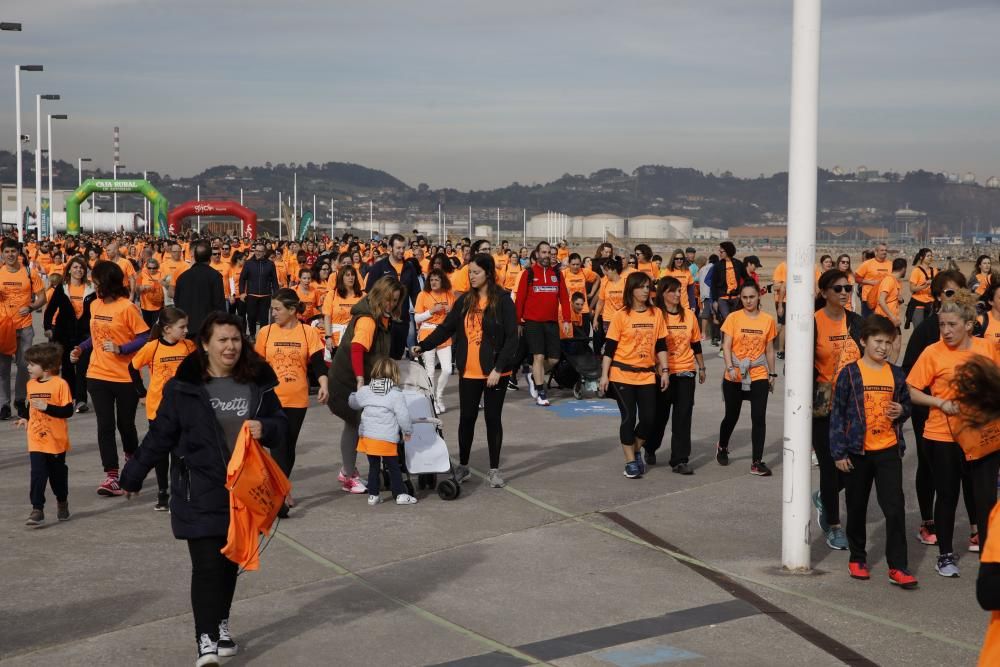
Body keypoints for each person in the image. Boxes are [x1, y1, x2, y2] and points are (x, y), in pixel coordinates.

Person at [120, 311, 287, 666]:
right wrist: (133, 474)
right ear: (205, 344)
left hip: (242, 493)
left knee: (229, 564)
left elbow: (280, 423)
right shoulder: (185, 387)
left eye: (236, 339)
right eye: (223, 340)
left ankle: (221, 624)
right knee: (207, 565)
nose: (230, 346)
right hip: (198, 487)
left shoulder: (256, 382)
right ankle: (206, 639)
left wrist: (265, 427)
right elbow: (161, 434)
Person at [906, 289, 1000, 578]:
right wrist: (939, 402)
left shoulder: (986, 349)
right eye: (942, 325)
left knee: (985, 498)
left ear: (969, 325)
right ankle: (945, 555)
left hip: (981, 436)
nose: (945, 331)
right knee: (947, 495)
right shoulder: (932, 353)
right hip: (941, 436)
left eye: (952, 325)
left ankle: (990, 558)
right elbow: (911, 391)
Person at [414, 254, 518, 488]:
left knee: (493, 419)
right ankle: (464, 466)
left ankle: (493, 469)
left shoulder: (502, 300)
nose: (471, 276)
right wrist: (423, 346)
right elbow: (446, 328)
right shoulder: (465, 301)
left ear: (488, 273)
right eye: (469, 272)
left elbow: (512, 339)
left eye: (476, 272)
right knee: (467, 419)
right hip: (469, 371)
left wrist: (498, 368)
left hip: (495, 374)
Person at [830, 315, 916, 588]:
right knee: (856, 507)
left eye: (888, 343)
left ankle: (898, 566)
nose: (883, 347)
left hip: (888, 449)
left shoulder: (896, 373)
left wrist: (902, 411)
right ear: (863, 341)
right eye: (878, 341)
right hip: (857, 451)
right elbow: (837, 415)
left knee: (895, 509)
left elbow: (906, 404)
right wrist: (839, 453)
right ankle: (857, 558)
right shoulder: (850, 373)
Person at [901, 270, 977, 548]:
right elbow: (909, 374)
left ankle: (975, 525)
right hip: (930, 414)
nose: (952, 298)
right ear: (935, 297)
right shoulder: (927, 331)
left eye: (958, 292)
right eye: (947, 293)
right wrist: (936, 398)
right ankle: (927, 522)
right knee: (930, 468)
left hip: (967, 419)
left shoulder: (972, 330)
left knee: (969, 469)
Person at [70, 261, 149, 496]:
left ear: (106, 282)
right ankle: (111, 476)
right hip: (97, 374)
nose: (92, 284)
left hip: (125, 376)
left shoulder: (127, 308)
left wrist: (122, 348)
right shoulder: (94, 305)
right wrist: (81, 348)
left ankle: (133, 467)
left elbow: (145, 337)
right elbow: (96, 337)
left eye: (95, 280)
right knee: (105, 426)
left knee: (126, 426)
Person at [255, 288, 328, 516]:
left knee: (287, 446)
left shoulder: (308, 333)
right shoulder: (265, 333)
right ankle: (280, 494)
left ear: (292, 310)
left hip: (297, 398)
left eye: (277, 309)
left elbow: (317, 364)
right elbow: (256, 367)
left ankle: (280, 492)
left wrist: (324, 384)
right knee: (277, 446)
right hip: (270, 400)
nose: (273, 313)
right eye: (272, 309)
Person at [328, 276, 403, 494]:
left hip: (360, 379)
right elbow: (357, 348)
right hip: (348, 381)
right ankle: (348, 475)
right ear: (380, 295)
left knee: (354, 425)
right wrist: (361, 380)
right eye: (389, 299)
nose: (392, 304)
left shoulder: (382, 316)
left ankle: (348, 470)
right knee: (355, 424)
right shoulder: (368, 320)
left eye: (396, 300)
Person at [811, 269, 864, 550]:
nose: (844, 293)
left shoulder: (855, 322)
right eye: (838, 288)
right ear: (824, 293)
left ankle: (823, 496)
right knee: (831, 465)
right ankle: (833, 524)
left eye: (848, 288)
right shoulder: (813, 323)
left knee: (855, 463)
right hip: (823, 405)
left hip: (852, 404)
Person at [600, 271, 669, 479]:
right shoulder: (621, 315)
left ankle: (637, 448)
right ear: (632, 290)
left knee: (649, 418)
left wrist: (665, 370)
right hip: (622, 374)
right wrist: (605, 375)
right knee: (628, 418)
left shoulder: (656, 314)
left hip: (647, 374)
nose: (646, 290)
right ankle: (630, 461)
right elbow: (609, 349)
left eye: (648, 287)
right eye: (642, 287)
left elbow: (661, 344)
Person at [130, 307, 196, 512]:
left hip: (184, 410)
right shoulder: (153, 347)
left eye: (186, 326)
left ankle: (179, 492)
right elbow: (133, 367)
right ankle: (162, 492)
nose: (186, 330)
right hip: (158, 409)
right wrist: (141, 393)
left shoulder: (189, 346)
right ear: (167, 329)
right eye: (182, 327)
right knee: (160, 453)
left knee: (180, 454)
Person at [646, 275, 705, 474]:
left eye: (680, 290)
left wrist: (702, 367)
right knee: (659, 417)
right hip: (662, 374)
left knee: (683, 417)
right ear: (663, 293)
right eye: (674, 290)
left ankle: (680, 459)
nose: (678, 294)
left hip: (686, 372)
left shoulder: (689, 315)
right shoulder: (655, 315)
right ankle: (650, 446)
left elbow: (695, 343)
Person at [718, 281, 777, 475]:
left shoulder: (768, 320)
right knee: (731, 416)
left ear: (758, 297)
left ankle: (757, 461)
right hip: (734, 373)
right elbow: (726, 345)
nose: (748, 301)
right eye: (744, 297)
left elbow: (769, 350)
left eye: (752, 297)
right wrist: (729, 367)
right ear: (740, 298)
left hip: (758, 373)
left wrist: (772, 373)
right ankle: (722, 446)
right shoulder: (733, 318)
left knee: (758, 417)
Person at [16, 343, 74, 527]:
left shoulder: (60, 384)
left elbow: (67, 411)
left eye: (32, 364)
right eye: (29, 364)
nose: (28, 367)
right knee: (38, 474)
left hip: (55, 441)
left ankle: (62, 500)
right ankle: (37, 509)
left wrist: (47, 407)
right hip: (36, 440)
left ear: (47, 367)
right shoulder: (30, 384)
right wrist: (25, 418)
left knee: (57, 477)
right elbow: (29, 404)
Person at [349, 357, 417, 506]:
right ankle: (400, 494)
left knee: (373, 467)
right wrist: (407, 431)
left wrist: (357, 389)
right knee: (393, 467)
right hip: (386, 437)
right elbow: (403, 416)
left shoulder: (366, 391)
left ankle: (373, 496)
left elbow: (353, 403)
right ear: (395, 374)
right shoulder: (395, 394)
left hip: (368, 437)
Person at [515, 241, 571, 407]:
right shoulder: (529, 273)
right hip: (533, 322)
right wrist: (518, 321)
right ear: (537, 254)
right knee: (538, 356)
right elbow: (520, 300)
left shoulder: (557, 274)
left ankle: (534, 376)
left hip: (552, 322)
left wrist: (567, 319)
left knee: (553, 359)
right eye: (544, 252)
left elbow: (564, 298)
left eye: (549, 253)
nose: (547, 255)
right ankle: (541, 391)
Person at [0, 237, 47, 420]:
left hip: (25, 325)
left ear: (18, 253)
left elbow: (42, 298)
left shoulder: (30, 272)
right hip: (4, 327)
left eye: (13, 251)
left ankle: (20, 400)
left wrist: (32, 307)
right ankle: (4, 404)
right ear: (2, 254)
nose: (10, 255)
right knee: (3, 368)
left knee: (23, 365)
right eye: (7, 252)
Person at [42, 255, 95, 413]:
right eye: (75, 267)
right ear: (70, 270)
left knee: (82, 366)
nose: (78, 270)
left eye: (81, 268)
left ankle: (81, 400)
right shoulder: (62, 287)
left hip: (85, 333)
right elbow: (50, 309)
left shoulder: (92, 288)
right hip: (64, 332)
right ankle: (69, 397)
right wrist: (48, 328)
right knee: (67, 366)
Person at [364, 234, 421, 359]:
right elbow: (369, 292)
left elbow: (416, 294)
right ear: (390, 248)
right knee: (382, 355)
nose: (401, 251)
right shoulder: (379, 267)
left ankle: (394, 378)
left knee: (397, 356)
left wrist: (419, 317)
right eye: (398, 248)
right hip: (383, 320)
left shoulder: (409, 267)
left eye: (403, 248)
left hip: (402, 320)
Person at [414, 269, 456, 413]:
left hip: (444, 333)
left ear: (442, 281)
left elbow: (456, 316)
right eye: (431, 280)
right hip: (427, 332)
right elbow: (416, 318)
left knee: (447, 369)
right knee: (430, 370)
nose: (433, 282)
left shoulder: (449, 295)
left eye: (436, 280)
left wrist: (451, 311)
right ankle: (432, 401)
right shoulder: (423, 295)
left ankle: (439, 397)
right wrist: (431, 311)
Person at [175, 241, 226, 339]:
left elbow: (177, 301)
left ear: (195, 257)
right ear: (210, 257)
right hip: (207, 329)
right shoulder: (215, 276)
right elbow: (219, 304)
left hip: (187, 327)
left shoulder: (182, 277)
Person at [239, 241, 279, 338]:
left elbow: (274, 280)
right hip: (252, 295)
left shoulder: (270, 264)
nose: (258, 253)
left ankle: (263, 337)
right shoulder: (248, 263)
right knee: (251, 317)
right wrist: (242, 293)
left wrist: (277, 296)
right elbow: (242, 279)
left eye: (260, 251)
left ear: (264, 252)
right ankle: (252, 334)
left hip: (265, 296)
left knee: (264, 319)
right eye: (256, 250)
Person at [323, 265, 363, 352]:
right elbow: (327, 317)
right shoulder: (332, 295)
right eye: (347, 275)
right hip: (336, 340)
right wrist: (328, 337)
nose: (351, 277)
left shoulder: (363, 296)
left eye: (353, 275)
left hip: (356, 338)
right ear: (341, 277)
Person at [875, 258, 907, 362]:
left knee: (896, 345)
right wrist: (892, 317)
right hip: (885, 318)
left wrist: (900, 300)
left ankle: (891, 368)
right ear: (903, 269)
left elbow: (890, 298)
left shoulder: (895, 281)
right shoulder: (889, 280)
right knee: (884, 346)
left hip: (892, 319)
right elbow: (881, 300)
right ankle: (882, 368)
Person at [710, 241, 747, 328]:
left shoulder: (738, 263)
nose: (719, 253)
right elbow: (713, 284)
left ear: (728, 251)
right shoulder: (717, 266)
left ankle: (734, 340)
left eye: (721, 251)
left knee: (736, 320)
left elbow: (747, 279)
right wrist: (715, 300)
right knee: (727, 319)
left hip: (736, 298)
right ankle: (725, 341)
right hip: (722, 298)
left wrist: (741, 292)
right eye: (719, 251)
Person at [855, 243, 891, 318]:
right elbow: (856, 278)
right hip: (869, 299)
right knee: (868, 323)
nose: (884, 252)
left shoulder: (890, 264)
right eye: (882, 250)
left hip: (885, 299)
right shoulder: (867, 264)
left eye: (885, 250)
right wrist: (871, 282)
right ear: (876, 252)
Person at [907, 248, 936, 329]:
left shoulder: (935, 270)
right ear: (921, 257)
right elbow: (912, 289)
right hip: (918, 303)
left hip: (931, 303)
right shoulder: (916, 271)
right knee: (919, 329)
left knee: (931, 329)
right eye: (928, 256)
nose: (930, 257)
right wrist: (925, 286)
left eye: (931, 256)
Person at [136, 256, 167, 328]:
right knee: (147, 326)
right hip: (145, 306)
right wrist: (143, 288)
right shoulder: (142, 275)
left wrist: (161, 283)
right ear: (146, 267)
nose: (152, 270)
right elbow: (137, 289)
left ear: (158, 267)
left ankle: (155, 338)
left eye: (154, 268)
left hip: (158, 306)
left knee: (156, 326)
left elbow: (166, 287)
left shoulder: (161, 274)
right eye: (149, 268)